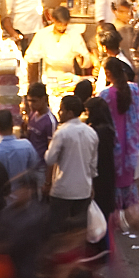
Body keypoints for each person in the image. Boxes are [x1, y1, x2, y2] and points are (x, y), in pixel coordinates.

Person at [43, 96, 98, 232]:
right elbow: (93, 166)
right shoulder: (91, 133)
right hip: (83, 190)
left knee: (57, 230)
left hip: (63, 190)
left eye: (62, 110)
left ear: (69, 113)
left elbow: (50, 159)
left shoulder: (61, 133)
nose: (59, 113)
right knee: (78, 232)